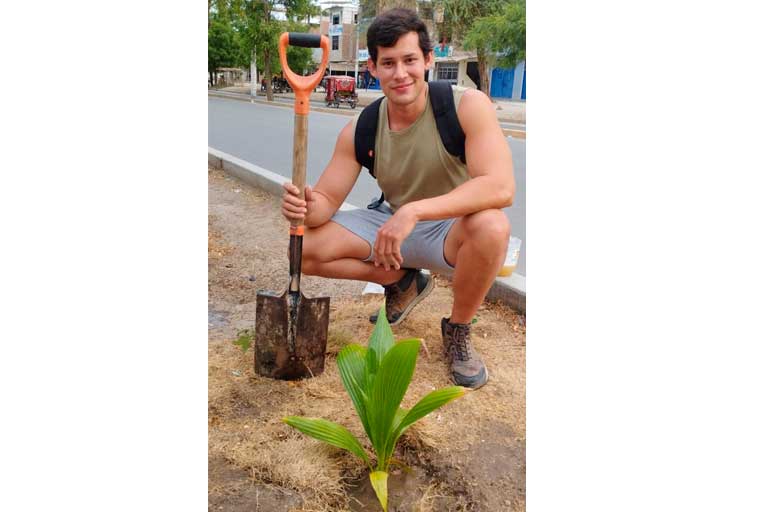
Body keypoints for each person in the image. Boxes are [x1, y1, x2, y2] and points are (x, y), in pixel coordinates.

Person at [280, 8, 515, 389]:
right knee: (303, 246)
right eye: (388, 63)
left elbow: (500, 188)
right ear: (372, 67)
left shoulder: (466, 106)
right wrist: (304, 207)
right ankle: (402, 281)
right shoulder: (363, 127)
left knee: (492, 225)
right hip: (392, 226)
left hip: (450, 229)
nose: (400, 73)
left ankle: (457, 330)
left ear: (427, 60)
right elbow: (326, 200)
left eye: (409, 60)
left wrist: (414, 211)